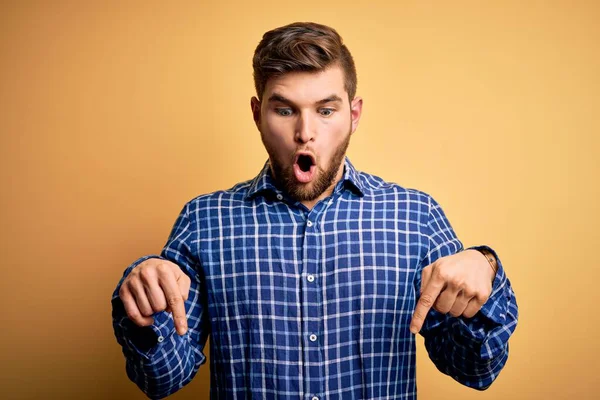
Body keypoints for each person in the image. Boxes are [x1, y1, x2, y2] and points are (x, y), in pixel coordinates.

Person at [111, 22, 518, 400]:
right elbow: (161, 379)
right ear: (257, 114)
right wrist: (143, 309)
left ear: (353, 115)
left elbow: (476, 368)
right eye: (284, 110)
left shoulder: (416, 217)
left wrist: (486, 269)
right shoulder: (204, 222)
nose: (305, 132)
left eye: (326, 110)